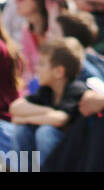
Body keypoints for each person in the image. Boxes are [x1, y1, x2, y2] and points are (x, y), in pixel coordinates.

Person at [0, 37, 86, 165]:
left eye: (41, 64)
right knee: (22, 130)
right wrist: (49, 112)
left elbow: (60, 119)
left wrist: (25, 119)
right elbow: (15, 107)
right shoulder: (47, 90)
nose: (37, 68)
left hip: (70, 155)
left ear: (58, 72)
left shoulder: (75, 88)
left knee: (45, 132)